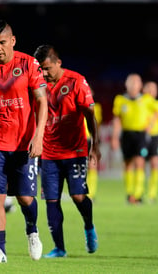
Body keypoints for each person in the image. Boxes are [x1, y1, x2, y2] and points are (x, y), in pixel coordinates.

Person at [0, 20, 48, 263]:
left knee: (26, 198)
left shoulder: (28, 64)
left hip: (24, 143)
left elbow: (42, 101)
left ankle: (32, 230)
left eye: (2, 42)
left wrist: (39, 136)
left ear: (12, 41)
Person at [33, 44, 101, 258]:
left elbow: (90, 116)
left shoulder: (76, 82)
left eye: (47, 68)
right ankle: (59, 247)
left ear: (58, 63)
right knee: (51, 200)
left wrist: (95, 146)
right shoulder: (38, 84)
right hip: (49, 154)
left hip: (75, 151)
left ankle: (89, 226)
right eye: (40, 70)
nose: (44, 73)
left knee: (78, 195)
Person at [111, 73, 148, 204]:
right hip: (126, 135)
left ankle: (138, 194)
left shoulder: (146, 99)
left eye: (136, 82)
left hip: (141, 135)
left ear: (140, 85)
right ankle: (129, 193)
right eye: (130, 82)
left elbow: (155, 114)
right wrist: (115, 137)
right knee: (127, 164)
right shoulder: (120, 100)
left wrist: (150, 127)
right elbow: (117, 119)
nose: (133, 85)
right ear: (126, 85)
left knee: (139, 162)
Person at [142, 81, 158, 204]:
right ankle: (137, 193)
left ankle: (151, 194)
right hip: (141, 136)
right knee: (139, 164)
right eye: (148, 88)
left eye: (153, 89)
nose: (151, 91)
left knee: (155, 164)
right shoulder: (140, 102)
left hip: (154, 138)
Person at [85, 90, 102, 201]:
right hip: (77, 140)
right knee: (77, 168)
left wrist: (95, 141)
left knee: (92, 165)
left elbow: (97, 124)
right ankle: (80, 192)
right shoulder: (73, 105)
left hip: (89, 139)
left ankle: (91, 194)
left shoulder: (96, 107)